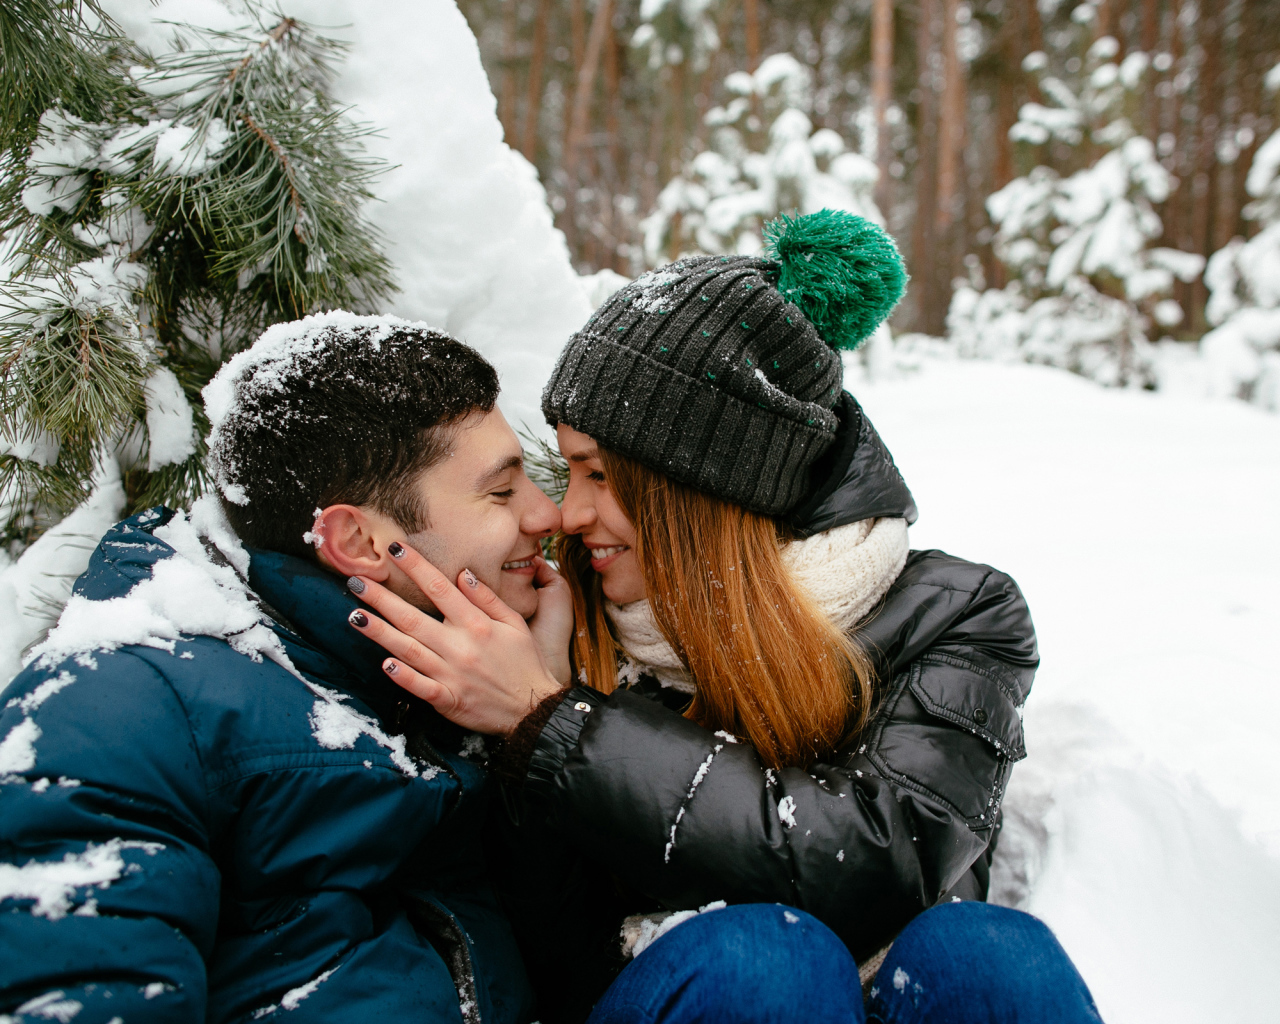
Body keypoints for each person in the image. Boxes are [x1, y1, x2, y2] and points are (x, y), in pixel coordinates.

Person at [347, 212, 1102, 1023]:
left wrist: (553, 723)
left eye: (600, 476)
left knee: (987, 955)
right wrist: (529, 739)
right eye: (567, 471)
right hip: (676, 996)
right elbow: (551, 952)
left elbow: (881, 865)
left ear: (704, 491)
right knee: (761, 966)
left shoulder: (955, 614)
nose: (567, 515)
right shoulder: (565, 612)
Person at [0, 312, 563, 1023]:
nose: (550, 515)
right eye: (502, 492)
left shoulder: (433, 677)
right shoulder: (116, 709)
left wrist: (544, 719)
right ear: (357, 541)